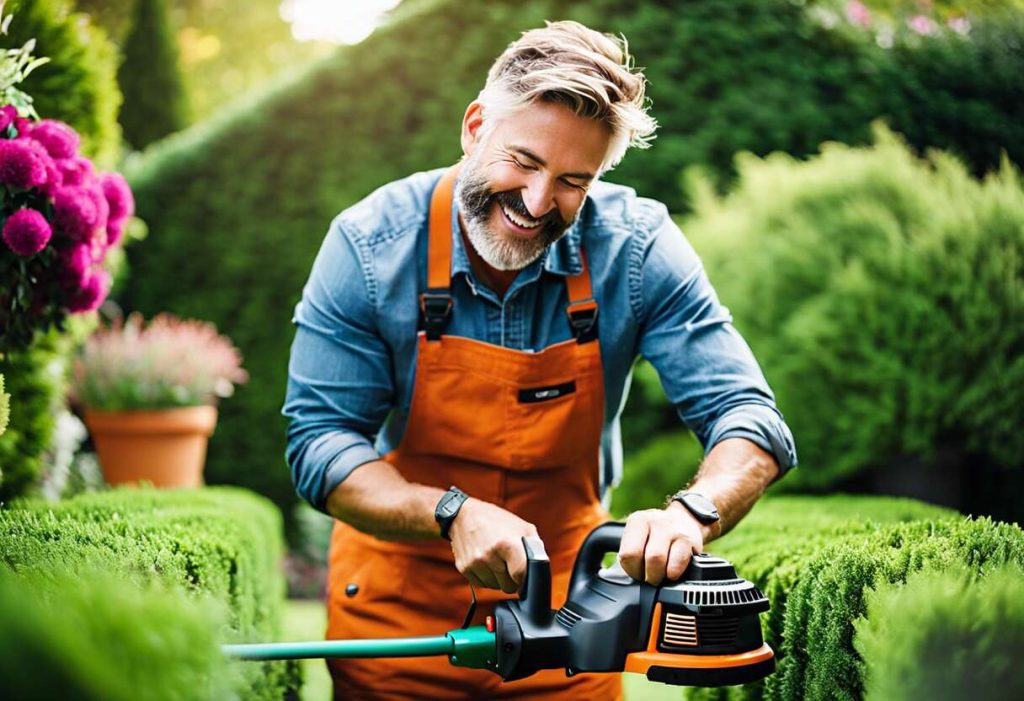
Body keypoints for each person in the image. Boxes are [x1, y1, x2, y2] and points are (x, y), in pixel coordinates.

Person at [284, 19, 796, 700]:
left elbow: (751, 419)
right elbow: (319, 443)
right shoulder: (369, 246)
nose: (535, 201)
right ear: (474, 128)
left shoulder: (636, 250)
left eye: (571, 181)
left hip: (572, 621)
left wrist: (689, 514)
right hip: (399, 614)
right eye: (523, 161)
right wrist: (453, 512)